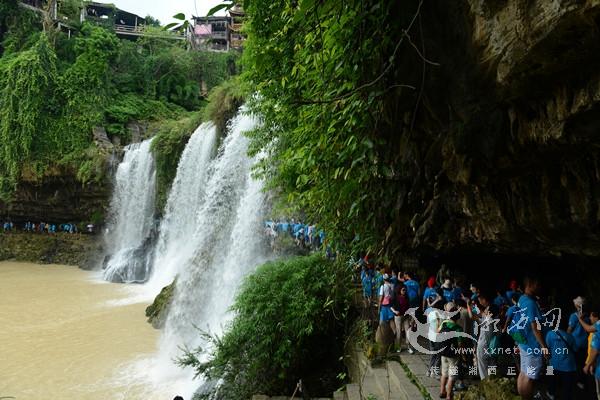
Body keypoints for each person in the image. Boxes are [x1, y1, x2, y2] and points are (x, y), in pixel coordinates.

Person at [516, 276, 548, 400]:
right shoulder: (531, 303)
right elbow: (535, 327)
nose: (539, 287)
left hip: (523, 343)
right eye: (537, 284)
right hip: (532, 345)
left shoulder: (522, 298)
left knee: (524, 373)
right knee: (529, 377)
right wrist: (544, 346)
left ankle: (522, 397)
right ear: (530, 284)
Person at [546, 313, 577, 400]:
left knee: (551, 379)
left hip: (552, 364)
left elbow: (547, 348)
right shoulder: (570, 337)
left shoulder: (549, 334)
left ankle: (551, 393)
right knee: (567, 387)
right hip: (568, 366)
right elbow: (575, 349)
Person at [438, 305, 463, 400]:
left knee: (444, 373)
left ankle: (442, 391)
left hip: (443, 352)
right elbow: (460, 344)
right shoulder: (458, 328)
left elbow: (438, 332)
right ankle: (449, 396)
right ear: (458, 318)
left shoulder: (444, 323)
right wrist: (462, 355)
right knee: (452, 376)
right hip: (453, 355)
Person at [426, 295, 444, 376]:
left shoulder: (430, 313)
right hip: (438, 337)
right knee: (438, 355)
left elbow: (428, 324)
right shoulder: (442, 315)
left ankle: (429, 371)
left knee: (433, 354)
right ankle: (434, 371)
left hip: (431, 335)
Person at [391, 284, 410, 352]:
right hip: (398, 316)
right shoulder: (396, 297)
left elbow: (408, 307)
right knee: (399, 332)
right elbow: (391, 306)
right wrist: (395, 311)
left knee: (408, 331)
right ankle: (399, 347)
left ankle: (408, 346)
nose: (404, 291)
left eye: (405, 290)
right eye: (403, 290)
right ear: (399, 290)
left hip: (406, 316)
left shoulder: (407, 297)